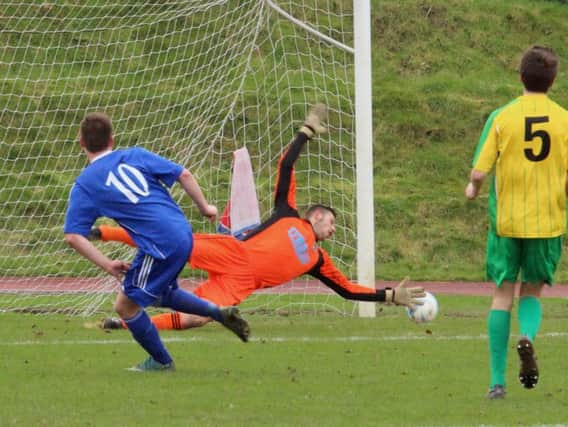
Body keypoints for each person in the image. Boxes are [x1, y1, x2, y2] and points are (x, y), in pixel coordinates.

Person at [90, 104, 426, 331]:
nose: (333, 230)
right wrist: (305, 132)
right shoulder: (288, 213)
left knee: (198, 318)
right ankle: (105, 233)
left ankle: (123, 324)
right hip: (233, 251)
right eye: (332, 223)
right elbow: (286, 166)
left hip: (241, 284)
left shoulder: (317, 261)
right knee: (173, 242)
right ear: (318, 215)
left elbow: (348, 290)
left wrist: (388, 296)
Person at [64, 112, 250, 372]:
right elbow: (184, 174)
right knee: (163, 294)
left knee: (125, 305)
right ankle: (218, 313)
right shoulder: (134, 155)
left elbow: (73, 235)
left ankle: (162, 362)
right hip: (182, 234)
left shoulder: (85, 185)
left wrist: (108, 264)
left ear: (81, 142)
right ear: (112, 139)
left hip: (159, 245)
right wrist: (205, 207)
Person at [464, 46, 568, 399]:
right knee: (531, 289)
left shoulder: (502, 117)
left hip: (506, 222)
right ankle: (527, 337)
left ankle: (496, 383)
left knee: (502, 295)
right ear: (553, 81)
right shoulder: (567, 121)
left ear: (520, 76)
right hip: (546, 223)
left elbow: (480, 170)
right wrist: (554, 195)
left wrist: (473, 187)